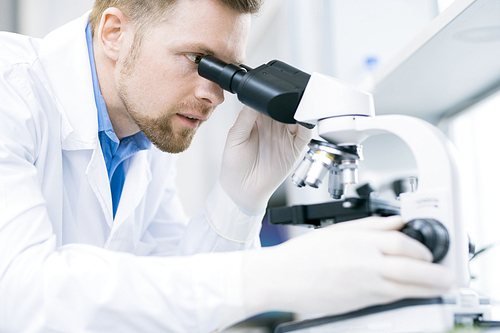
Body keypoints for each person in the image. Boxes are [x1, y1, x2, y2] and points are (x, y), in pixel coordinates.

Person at [0, 0, 454, 332]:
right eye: (199, 61)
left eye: (227, 72)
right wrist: (277, 274)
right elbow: (21, 295)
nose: (214, 95)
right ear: (115, 32)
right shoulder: (10, 90)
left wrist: (240, 198)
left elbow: (179, 301)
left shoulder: (140, 139)